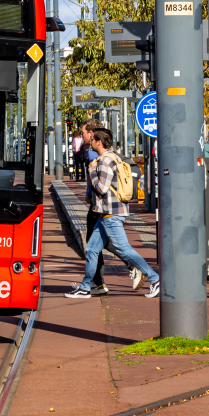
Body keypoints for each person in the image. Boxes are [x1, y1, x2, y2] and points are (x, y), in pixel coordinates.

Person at [67, 127, 159, 299]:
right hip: (107, 214)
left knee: (124, 250)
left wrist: (92, 170)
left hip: (111, 214)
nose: (91, 142)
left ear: (99, 142)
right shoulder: (114, 156)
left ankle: (154, 278)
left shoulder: (105, 161)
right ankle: (86, 287)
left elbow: (101, 188)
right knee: (92, 250)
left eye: (93, 139)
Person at [80, 119, 143, 295]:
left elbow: (100, 184)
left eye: (84, 133)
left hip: (103, 207)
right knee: (97, 244)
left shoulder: (96, 154)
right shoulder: (96, 152)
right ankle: (97, 283)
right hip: (101, 206)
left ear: (92, 135)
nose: (83, 136)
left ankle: (134, 268)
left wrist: (89, 195)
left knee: (100, 243)